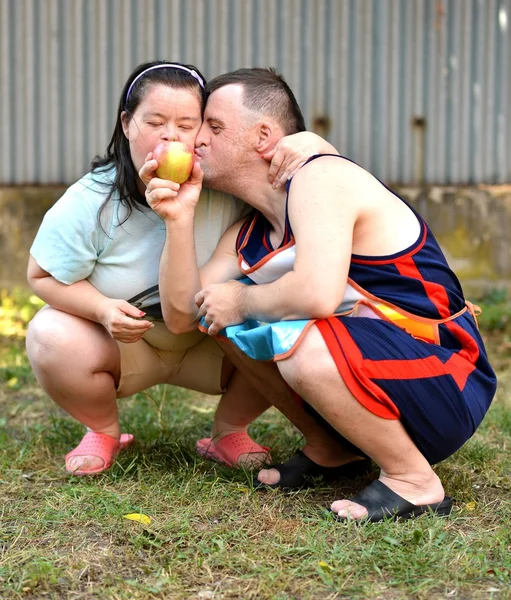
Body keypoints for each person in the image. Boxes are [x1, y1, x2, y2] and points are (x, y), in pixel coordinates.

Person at [142, 67, 497, 521]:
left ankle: (414, 481)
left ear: (264, 136)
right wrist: (178, 217)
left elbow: (317, 294)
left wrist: (243, 299)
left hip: (447, 377)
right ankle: (331, 448)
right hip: (388, 384)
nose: (197, 142)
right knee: (224, 319)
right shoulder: (248, 233)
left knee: (295, 338)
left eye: (214, 127)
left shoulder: (320, 178)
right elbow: (182, 315)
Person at [25, 60, 341, 476]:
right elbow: (40, 275)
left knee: (279, 317)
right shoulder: (91, 200)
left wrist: (316, 144)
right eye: (154, 121)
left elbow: (308, 176)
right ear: (127, 123)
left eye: (187, 124)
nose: (171, 135)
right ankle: (102, 429)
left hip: (211, 341)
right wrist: (101, 309)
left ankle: (229, 431)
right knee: (50, 334)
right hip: (124, 343)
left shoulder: (224, 183)